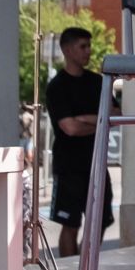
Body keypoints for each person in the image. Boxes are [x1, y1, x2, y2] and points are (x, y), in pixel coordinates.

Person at [46, 26, 108, 258]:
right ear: (67, 49)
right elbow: (69, 128)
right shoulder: (57, 87)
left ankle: (87, 269)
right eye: (83, 46)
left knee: (99, 221)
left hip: (97, 163)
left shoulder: (97, 82)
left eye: (89, 46)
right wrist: (99, 121)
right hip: (69, 166)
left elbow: (115, 113)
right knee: (70, 224)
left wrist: (85, 118)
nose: (88, 51)